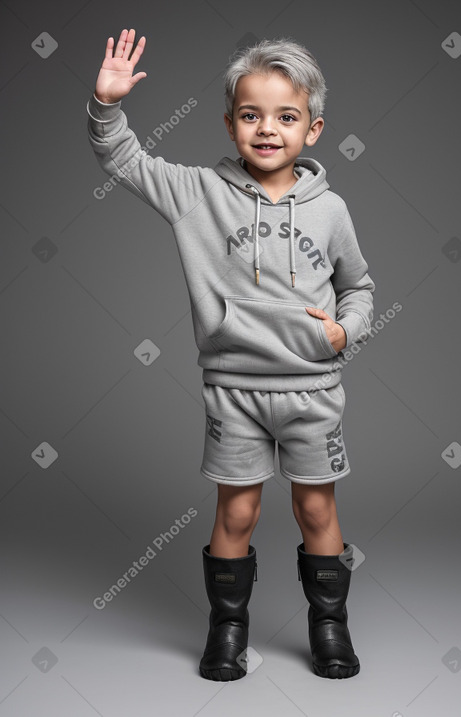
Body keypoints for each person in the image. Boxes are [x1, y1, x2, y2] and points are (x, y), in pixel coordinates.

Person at [87, 28, 375, 682]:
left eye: (286, 116)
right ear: (228, 123)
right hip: (234, 390)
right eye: (251, 115)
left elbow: (359, 287)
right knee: (237, 510)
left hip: (313, 390)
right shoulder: (196, 193)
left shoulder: (331, 210)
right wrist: (106, 106)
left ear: (314, 129)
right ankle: (228, 627)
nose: (267, 129)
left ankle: (329, 626)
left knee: (317, 508)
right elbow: (123, 159)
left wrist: (344, 332)